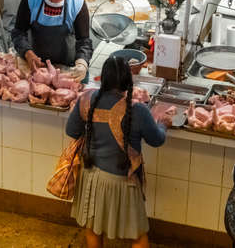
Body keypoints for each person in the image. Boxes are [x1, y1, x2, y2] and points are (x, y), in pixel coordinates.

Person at [66, 56, 172, 248]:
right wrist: (163, 124)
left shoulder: (86, 100)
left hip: (90, 177)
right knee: (138, 235)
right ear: (127, 80)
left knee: (93, 229)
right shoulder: (137, 110)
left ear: (103, 78)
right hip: (123, 183)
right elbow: (156, 140)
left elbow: (71, 131)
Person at [11, 0, 93, 82]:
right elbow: (18, 32)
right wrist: (28, 53)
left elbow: (84, 41)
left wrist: (82, 63)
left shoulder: (77, 4)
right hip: (36, 67)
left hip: (67, 69)